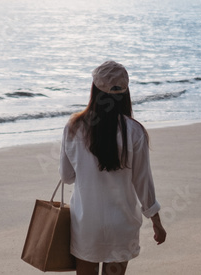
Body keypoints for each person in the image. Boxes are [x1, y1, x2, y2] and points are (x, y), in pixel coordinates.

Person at [59, 60, 166, 275]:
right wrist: (156, 222)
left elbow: (67, 176)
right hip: (122, 224)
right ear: (125, 93)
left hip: (86, 222)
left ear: (94, 90)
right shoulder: (134, 131)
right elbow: (143, 183)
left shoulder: (74, 127)